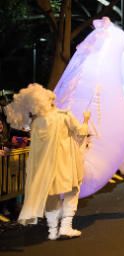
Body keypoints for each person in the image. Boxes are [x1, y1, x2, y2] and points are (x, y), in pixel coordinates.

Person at [5, 84, 89, 240]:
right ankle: (66, 226)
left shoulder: (37, 123)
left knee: (52, 195)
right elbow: (82, 131)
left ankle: (52, 230)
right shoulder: (64, 116)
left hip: (47, 166)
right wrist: (86, 119)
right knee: (72, 191)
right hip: (66, 162)